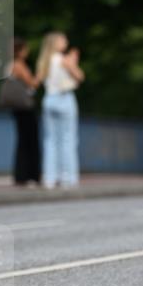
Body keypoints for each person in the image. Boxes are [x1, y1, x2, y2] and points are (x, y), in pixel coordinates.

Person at [36, 31, 85, 188]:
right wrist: (74, 62)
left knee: (50, 141)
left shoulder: (44, 61)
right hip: (64, 98)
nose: (66, 42)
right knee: (68, 139)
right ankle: (68, 177)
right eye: (63, 40)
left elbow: (38, 80)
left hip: (49, 99)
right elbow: (79, 76)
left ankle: (50, 177)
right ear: (56, 43)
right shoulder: (63, 59)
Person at [3, 38, 42, 185]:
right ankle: (29, 175)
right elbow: (32, 83)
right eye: (25, 49)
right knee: (30, 141)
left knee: (22, 140)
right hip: (25, 108)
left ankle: (21, 175)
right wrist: (40, 76)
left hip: (17, 108)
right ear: (19, 51)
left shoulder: (9, 65)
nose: (27, 51)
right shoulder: (18, 65)